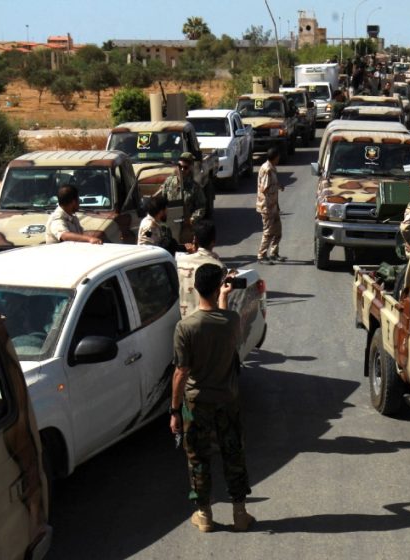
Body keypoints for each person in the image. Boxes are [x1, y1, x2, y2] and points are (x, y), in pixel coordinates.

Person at [170, 263, 255, 533]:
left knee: (198, 458)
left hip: (196, 403)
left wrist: (174, 410)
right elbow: (224, 325)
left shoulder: (185, 327)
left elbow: (181, 372)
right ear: (219, 287)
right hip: (227, 400)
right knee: (233, 454)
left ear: (195, 288)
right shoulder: (231, 321)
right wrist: (224, 296)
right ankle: (240, 514)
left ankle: (204, 514)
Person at [256, 147, 286, 265]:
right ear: (274, 158)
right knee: (268, 231)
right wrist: (276, 187)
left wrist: (278, 186)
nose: (279, 159)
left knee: (278, 230)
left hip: (273, 205)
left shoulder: (272, 167)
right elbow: (265, 188)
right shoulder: (267, 169)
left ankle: (274, 253)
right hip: (267, 206)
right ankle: (262, 255)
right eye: (278, 157)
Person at [161, 152, 207, 225]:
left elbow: (201, 207)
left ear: (190, 168)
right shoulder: (169, 182)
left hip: (186, 224)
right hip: (170, 221)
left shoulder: (195, 187)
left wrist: (192, 219)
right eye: (180, 166)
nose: (182, 169)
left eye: (185, 167)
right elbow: (162, 200)